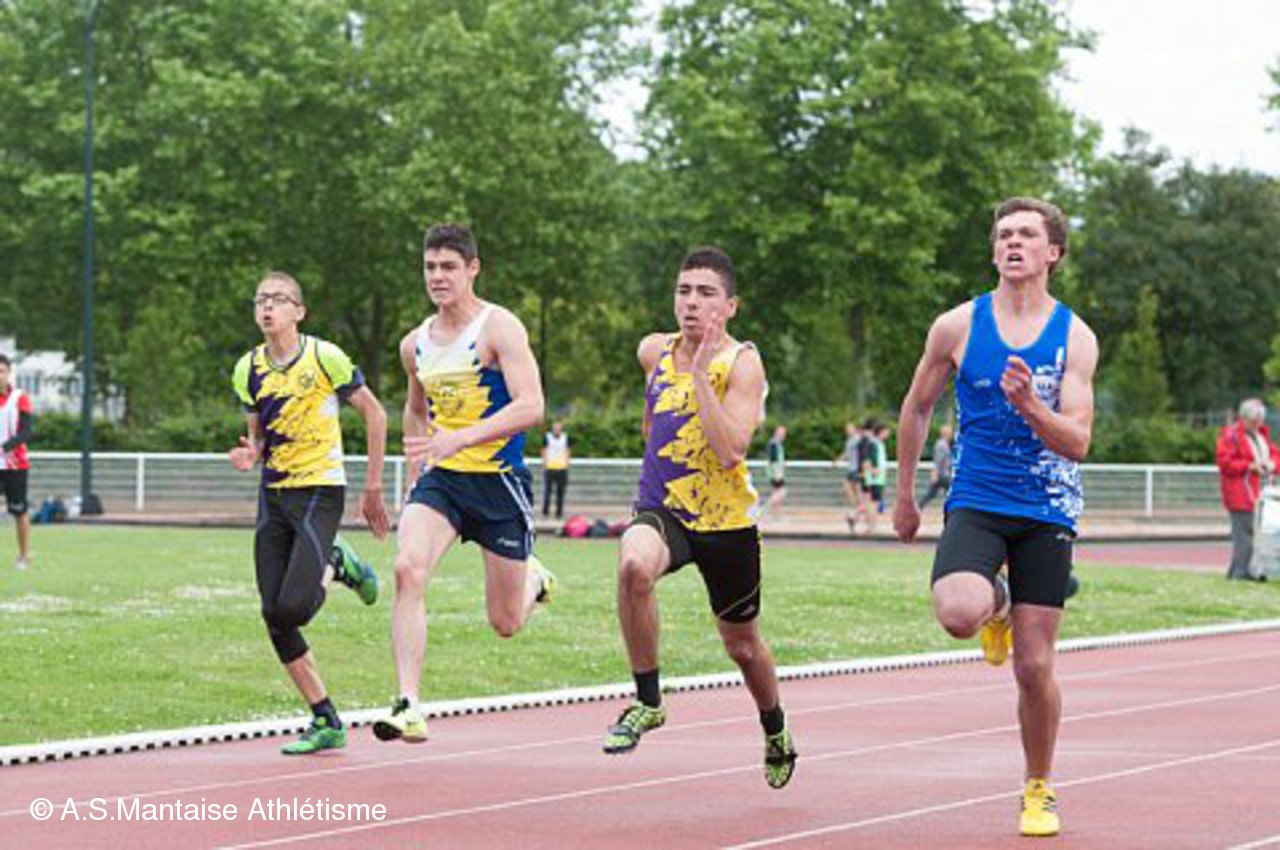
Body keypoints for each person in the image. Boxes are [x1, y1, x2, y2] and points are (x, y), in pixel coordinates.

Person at [893, 197, 1098, 837]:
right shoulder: (956, 326)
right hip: (977, 497)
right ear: (994, 250)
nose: (1013, 242)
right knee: (959, 613)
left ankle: (1038, 787)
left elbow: (1078, 441)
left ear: (1052, 252)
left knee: (1033, 667)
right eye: (1004, 234)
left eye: (1027, 234)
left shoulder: (1075, 336)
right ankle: (997, 602)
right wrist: (904, 494)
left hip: (1045, 507)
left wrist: (1031, 405)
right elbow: (917, 407)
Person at [603, 246, 797, 790]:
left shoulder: (742, 363)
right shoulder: (653, 351)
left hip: (726, 523)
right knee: (633, 567)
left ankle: (775, 726)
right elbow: (652, 424)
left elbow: (731, 449)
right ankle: (648, 702)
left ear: (730, 306)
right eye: (684, 291)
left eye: (706, 293)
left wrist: (702, 380)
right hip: (665, 507)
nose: (692, 302)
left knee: (743, 646)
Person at [375, 224, 556, 744]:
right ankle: (408, 703)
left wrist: (462, 437)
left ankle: (534, 581)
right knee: (407, 570)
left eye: (449, 267)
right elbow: (415, 410)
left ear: (473, 269)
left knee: (505, 622)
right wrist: (417, 467)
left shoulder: (499, 328)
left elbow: (531, 406)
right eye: (430, 267)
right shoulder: (414, 345)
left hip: (498, 484)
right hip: (444, 484)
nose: (437, 276)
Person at [229, 271, 389, 755]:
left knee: (294, 608)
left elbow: (376, 414)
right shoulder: (247, 368)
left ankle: (337, 562)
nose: (267, 307)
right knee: (274, 615)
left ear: (299, 311)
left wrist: (373, 486)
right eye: (261, 299)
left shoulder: (325, 357)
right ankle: (326, 719)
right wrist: (250, 454)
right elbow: (258, 439)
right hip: (274, 495)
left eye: (278, 299)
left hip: (320, 490)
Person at [1216, 398, 1279, 582]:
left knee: (1255, 533)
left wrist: (1271, 464)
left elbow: (1275, 455)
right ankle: (1240, 571)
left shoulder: (1261, 436)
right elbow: (1225, 463)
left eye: (1259, 421)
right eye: (1253, 421)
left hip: (1260, 492)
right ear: (1243, 419)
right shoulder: (1231, 436)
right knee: (1244, 533)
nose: (1257, 425)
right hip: (1240, 493)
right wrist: (1249, 466)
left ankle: (1244, 569)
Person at [0, 353, 34, 570]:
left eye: (1, 371)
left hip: (15, 466)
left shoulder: (19, 398)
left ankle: (23, 556)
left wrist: (4, 448)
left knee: (19, 511)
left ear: (9, 373)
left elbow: (26, 432)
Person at [918, 424, 954, 509]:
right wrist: (935, 473)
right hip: (943, 474)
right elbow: (938, 460)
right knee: (951, 492)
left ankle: (919, 507)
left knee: (931, 494)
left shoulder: (944, 444)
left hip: (943, 474)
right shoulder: (942, 445)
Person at [835, 422, 863, 527]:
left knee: (853, 489)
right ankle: (857, 510)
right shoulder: (849, 441)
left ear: (854, 429)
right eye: (847, 429)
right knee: (852, 490)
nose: (848, 431)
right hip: (851, 469)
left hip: (856, 469)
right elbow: (847, 453)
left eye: (850, 428)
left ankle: (857, 510)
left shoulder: (858, 439)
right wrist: (838, 460)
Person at [541, 420, 571, 519]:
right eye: (555, 428)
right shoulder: (547, 437)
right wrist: (545, 463)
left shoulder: (565, 437)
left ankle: (559, 513)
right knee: (547, 492)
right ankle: (545, 512)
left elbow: (568, 451)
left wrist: (567, 464)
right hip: (550, 468)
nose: (557, 430)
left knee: (560, 492)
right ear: (553, 429)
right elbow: (544, 450)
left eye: (558, 428)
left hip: (562, 468)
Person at [762, 424, 788, 519]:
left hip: (777, 472)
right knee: (781, 492)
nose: (783, 436)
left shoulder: (777, 444)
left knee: (777, 492)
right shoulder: (774, 444)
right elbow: (773, 461)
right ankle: (764, 509)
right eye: (781, 433)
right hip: (776, 473)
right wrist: (776, 474)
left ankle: (776, 514)